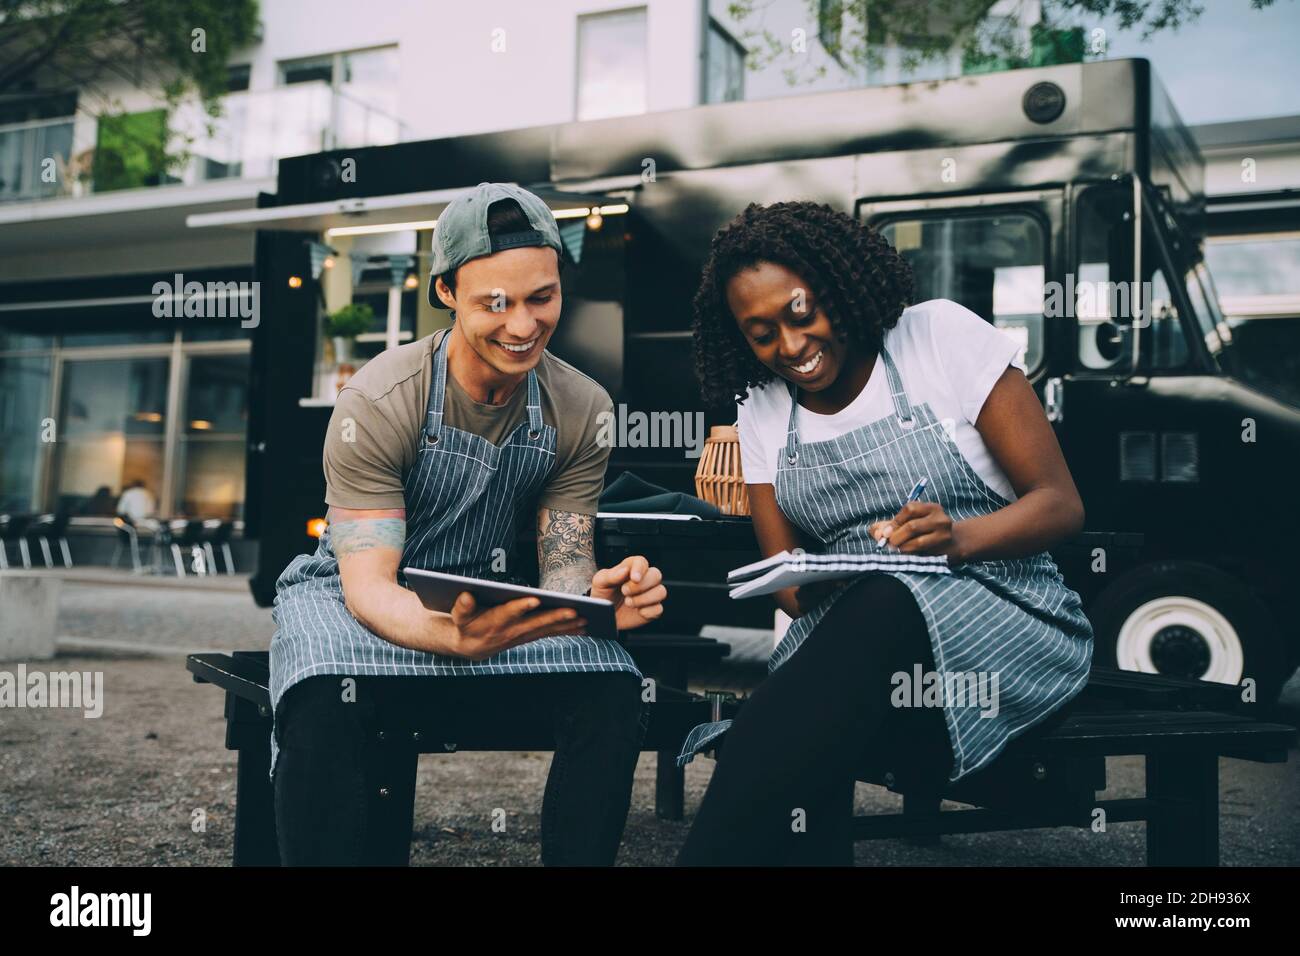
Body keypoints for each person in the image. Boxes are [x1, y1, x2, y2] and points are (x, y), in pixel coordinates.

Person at [676, 201, 1093, 866]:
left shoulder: (937, 338)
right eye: (760, 333)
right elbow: (788, 588)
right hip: (861, 652)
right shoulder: (760, 409)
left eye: (801, 311)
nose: (790, 346)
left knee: (813, 694)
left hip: (1006, 629)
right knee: (811, 721)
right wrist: (824, 573)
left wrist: (956, 538)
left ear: (841, 286)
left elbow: (1060, 506)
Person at [270, 183, 667, 866]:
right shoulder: (379, 399)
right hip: (353, 597)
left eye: (541, 298)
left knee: (611, 681)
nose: (522, 326)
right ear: (446, 292)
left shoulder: (581, 406)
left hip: (481, 594)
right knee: (318, 695)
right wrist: (453, 637)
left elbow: (564, 568)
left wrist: (595, 604)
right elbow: (368, 587)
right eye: (495, 303)